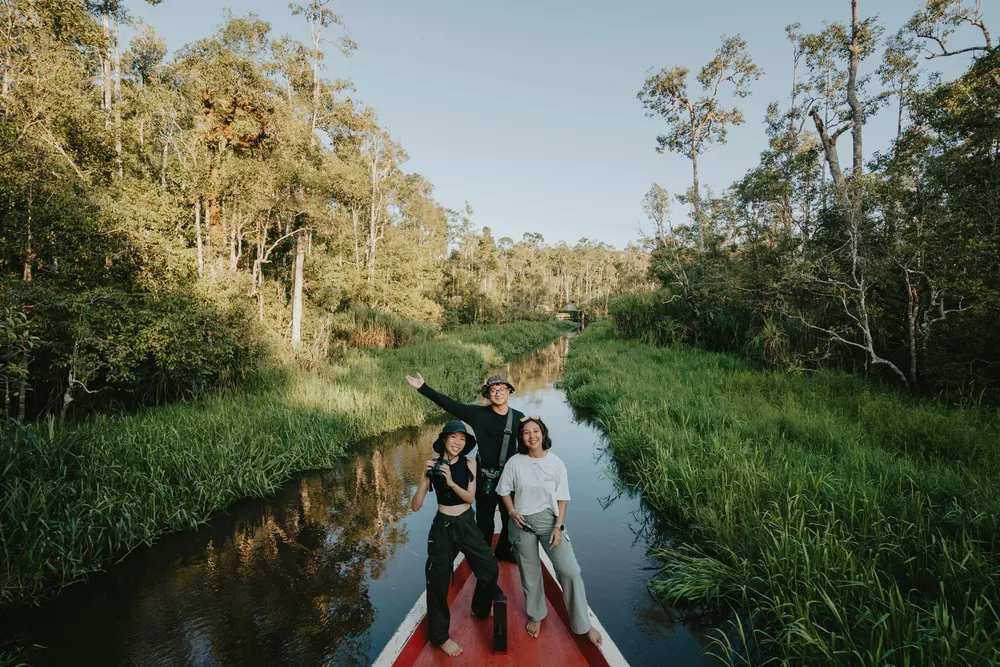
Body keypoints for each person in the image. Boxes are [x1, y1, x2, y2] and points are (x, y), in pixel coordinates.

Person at [496, 416, 603, 647]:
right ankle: (536, 615)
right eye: (526, 432)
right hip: (521, 521)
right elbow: (503, 491)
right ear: (521, 438)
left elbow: (563, 498)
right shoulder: (515, 462)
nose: (532, 436)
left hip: (549, 520)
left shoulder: (556, 463)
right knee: (530, 572)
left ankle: (583, 624)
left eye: (536, 431)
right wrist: (512, 512)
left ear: (543, 434)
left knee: (570, 570)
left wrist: (558, 526)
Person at [405, 373, 524, 562]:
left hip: (510, 479)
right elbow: (451, 405)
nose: (498, 393)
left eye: (502, 389)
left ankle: (502, 550)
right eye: (493, 390)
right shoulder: (478, 414)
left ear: (509, 391)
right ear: (488, 394)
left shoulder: (518, 418)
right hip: (485, 478)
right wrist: (423, 388)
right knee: (484, 522)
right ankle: (483, 557)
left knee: (510, 518)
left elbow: (526, 448)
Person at [410, 420, 500, 658]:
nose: (458, 443)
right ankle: (440, 637)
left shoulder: (470, 462)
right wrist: (423, 478)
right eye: (454, 438)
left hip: (466, 523)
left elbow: (470, 498)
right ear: (444, 440)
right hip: (443, 526)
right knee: (438, 580)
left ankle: (480, 608)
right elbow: (416, 506)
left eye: (462, 439)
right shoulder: (434, 466)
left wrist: (450, 482)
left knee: (489, 568)